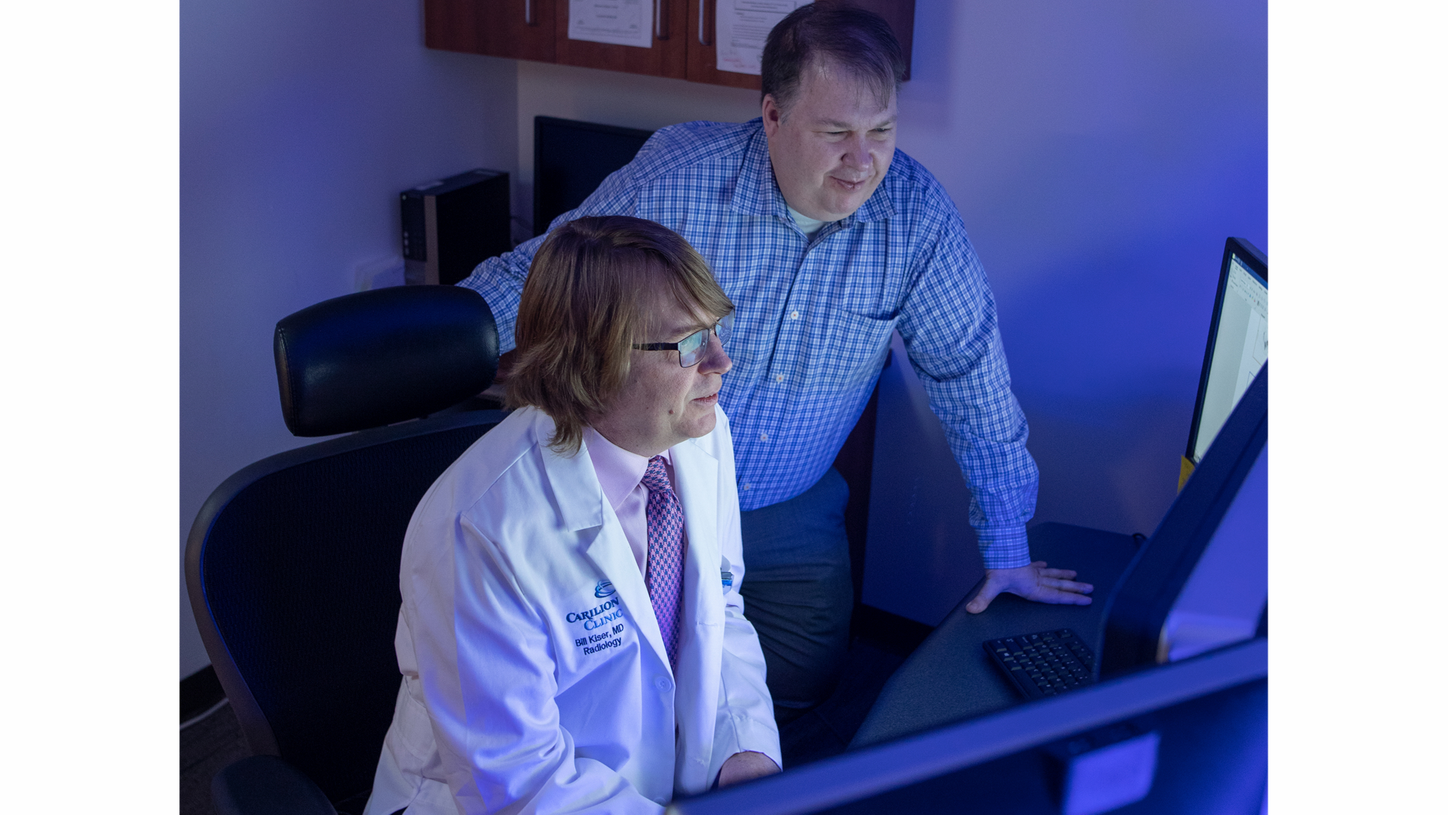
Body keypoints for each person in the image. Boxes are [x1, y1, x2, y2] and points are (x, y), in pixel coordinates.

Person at [459, 3, 1092, 720]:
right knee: (620, 684)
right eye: (836, 133)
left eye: (882, 130)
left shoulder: (917, 218)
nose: (864, 161)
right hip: (648, 482)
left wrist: (1006, 545)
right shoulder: (681, 179)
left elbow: (971, 381)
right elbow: (538, 278)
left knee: (802, 687)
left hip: (790, 505)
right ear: (772, 117)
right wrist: (422, 358)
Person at [363, 216, 781, 815]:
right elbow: (517, 785)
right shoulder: (477, 530)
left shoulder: (698, 431)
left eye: (717, 329)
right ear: (595, 360)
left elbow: (721, 606)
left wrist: (745, 753)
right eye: (689, 342)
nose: (721, 360)